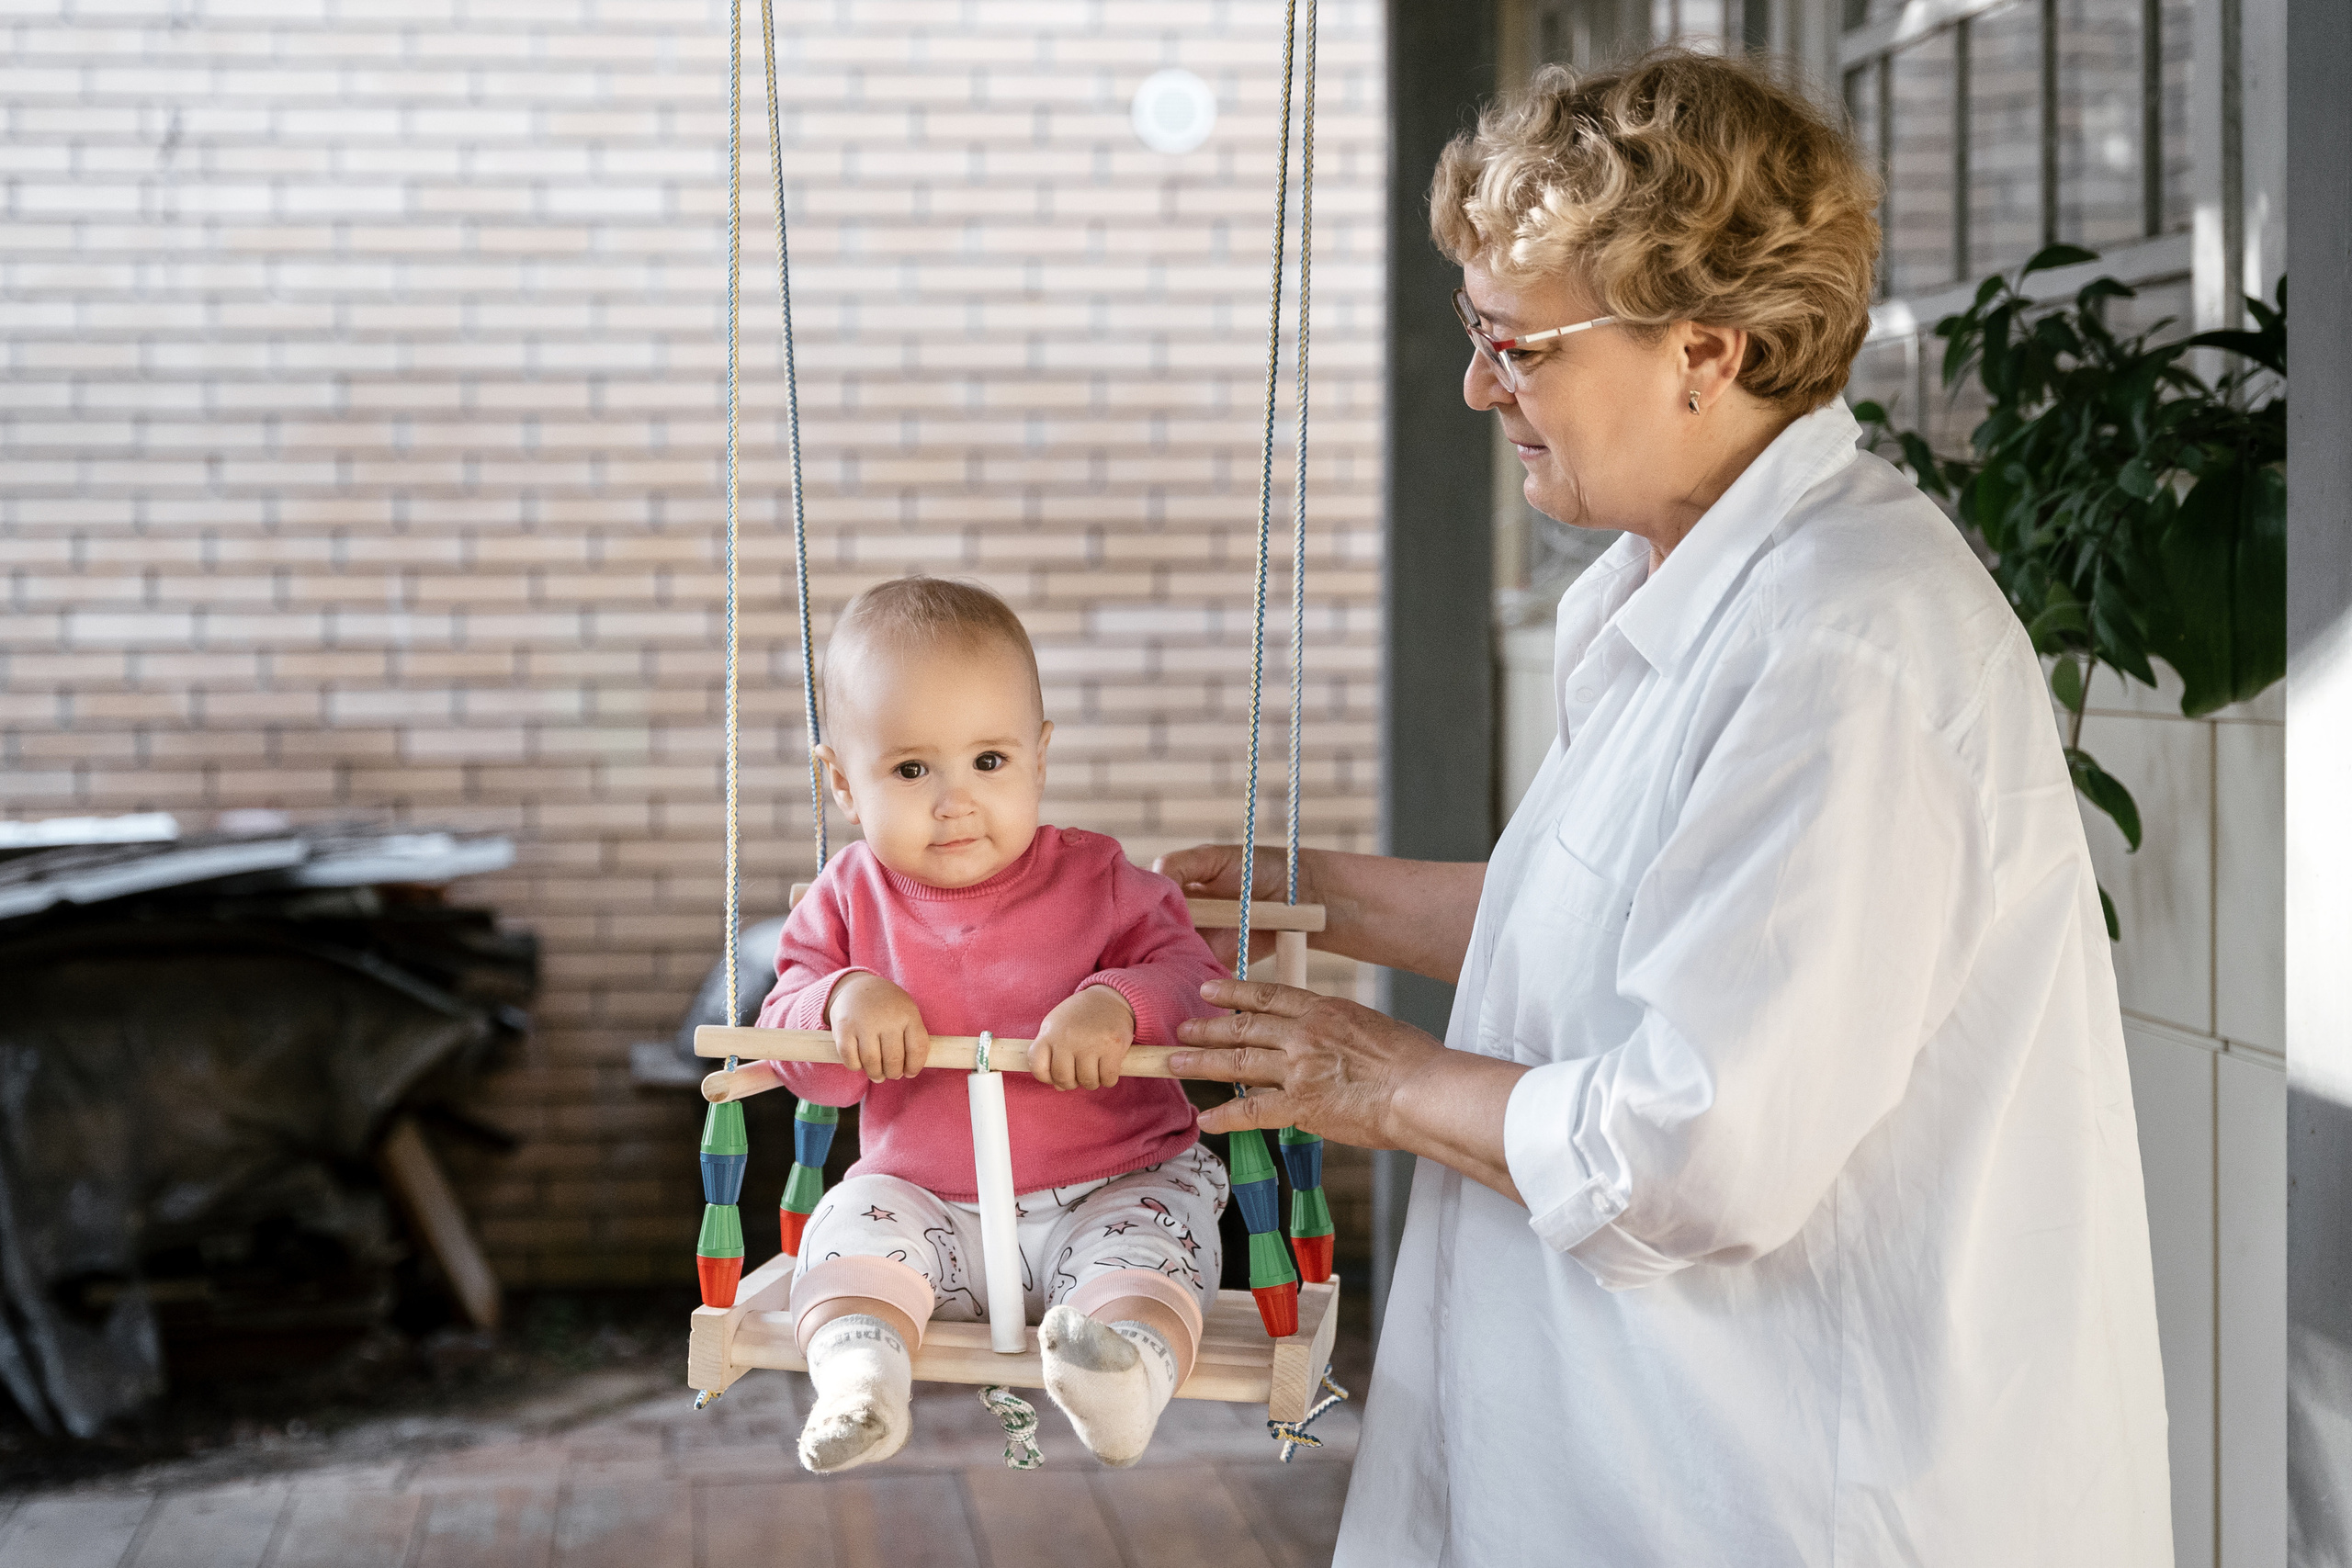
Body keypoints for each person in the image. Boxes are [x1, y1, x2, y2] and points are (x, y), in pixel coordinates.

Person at [1159, 50, 2171, 1565]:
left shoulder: (1846, 645)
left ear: (1707, 350)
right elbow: (1617, 937)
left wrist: (1375, 1080)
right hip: (1633, 1468)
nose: (1476, 385)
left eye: (1519, 345)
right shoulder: (1681, 583)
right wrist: (1309, 891)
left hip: (1777, 1497)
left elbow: (1696, 1147)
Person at [754, 576, 1229, 1473]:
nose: (953, 800)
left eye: (989, 761)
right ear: (842, 784)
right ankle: (861, 1380)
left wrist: (1115, 1002)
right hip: (926, 1208)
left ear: (1039, 758)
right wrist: (841, 1000)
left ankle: (1121, 1378)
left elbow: (1195, 983)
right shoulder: (846, 898)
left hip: (1112, 1184)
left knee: (1154, 1251)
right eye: (909, 769)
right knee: (848, 1224)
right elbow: (792, 1038)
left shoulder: (1101, 880)